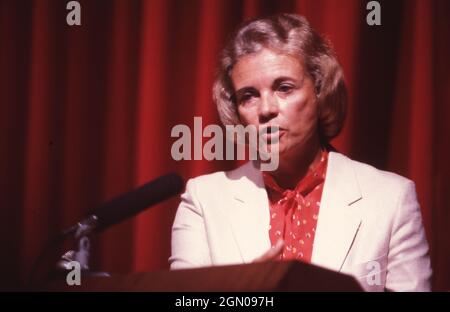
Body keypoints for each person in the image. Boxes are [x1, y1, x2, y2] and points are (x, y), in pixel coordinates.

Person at [169, 13, 432, 291]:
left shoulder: (391, 198)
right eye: (249, 95)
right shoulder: (203, 200)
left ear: (320, 90)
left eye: (284, 88)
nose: (266, 108)